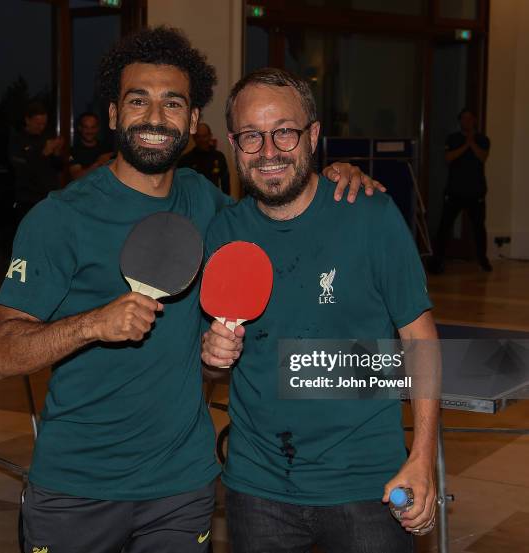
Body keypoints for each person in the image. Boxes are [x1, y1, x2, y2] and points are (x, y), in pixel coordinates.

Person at [0, 27, 382, 553]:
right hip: (76, 486)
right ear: (112, 114)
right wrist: (92, 323)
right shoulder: (59, 219)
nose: (154, 118)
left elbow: (281, 203)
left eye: (172, 103)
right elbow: (0, 354)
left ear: (192, 122)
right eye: (138, 101)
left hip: (182, 485)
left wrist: (329, 177)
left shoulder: (209, 205)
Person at [201, 68, 439, 553]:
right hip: (257, 488)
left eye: (284, 131)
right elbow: (208, 367)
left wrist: (422, 457)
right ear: (233, 143)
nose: (269, 151)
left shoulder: (370, 215)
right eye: (252, 136)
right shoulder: (222, 233)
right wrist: (210, 356)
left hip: (368, 485)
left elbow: (420, 340)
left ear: (312, 135)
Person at [429, 108, 491, 273]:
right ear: (460, 121)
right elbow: (449, 158)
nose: (466, 122)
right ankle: (437, 262)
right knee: (444, 227)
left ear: (475, 121)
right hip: (454, 191)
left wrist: (473, 143)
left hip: (476, 191)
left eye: (469, 119)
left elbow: (482, 157)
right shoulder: (453, 138)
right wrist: (466, 144)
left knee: (478, 227)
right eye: (463, 119)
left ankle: (483, 260)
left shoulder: (483, 139)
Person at [8, 101, 63, 224]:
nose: (41, 127)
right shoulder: (17, 141)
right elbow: (22, 171)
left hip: (49, 199)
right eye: (38, 123)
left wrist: (57, 153)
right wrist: (44, 153)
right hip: (27, 201)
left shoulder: (47, 137)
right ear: (27, 120)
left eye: (44, 123)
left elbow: (58, 167)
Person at [178, 122, 230, 194]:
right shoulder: (185, 160)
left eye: (204, 136)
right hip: (193, 201)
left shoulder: (219, 156)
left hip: (214, 200)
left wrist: (226, 202)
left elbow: (225, 182)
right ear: (194, 138)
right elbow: (180, 185)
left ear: (210, 136)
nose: (202, 140)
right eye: (198, 136)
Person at [69, 112, 113, 180]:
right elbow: (76, 176)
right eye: (86, 127)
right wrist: (98, 163)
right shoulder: (73, 151)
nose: (89, 131)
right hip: (83, 190)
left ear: (98, 128)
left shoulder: (106, 148)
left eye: (93, 127)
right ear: (80, 128)